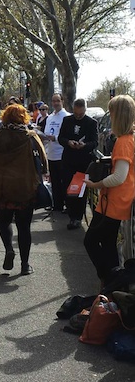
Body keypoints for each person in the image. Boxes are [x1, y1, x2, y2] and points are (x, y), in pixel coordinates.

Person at [0, 104, 47, 275]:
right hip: (24, 188)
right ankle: (25, 265)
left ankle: (9, 249)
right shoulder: (30, 137)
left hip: (0, 188)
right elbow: (44, 163)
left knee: (3, 222)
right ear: (24, 118)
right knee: (24, 227)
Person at [84, 95, 135, 287]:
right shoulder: (129, 138)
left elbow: (118, 177)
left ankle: (110, 280)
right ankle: (112, 282)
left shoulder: (123, 141)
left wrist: (95, 185)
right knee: (107, 243)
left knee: (92, 241)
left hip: (115, 201)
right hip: (119, 200)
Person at [58, 98, 98, 230]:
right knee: (68, 189)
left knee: (80, 191)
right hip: (68, 160)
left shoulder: (91, 123)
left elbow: (94, 142)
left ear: (85, 111)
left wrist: (84, 145)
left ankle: (78, 217)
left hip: (83, 162)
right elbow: (61, 138)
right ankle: (71, 215)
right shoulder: (67, 121)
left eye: (80, 114)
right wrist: (68, 142)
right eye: (76, 114)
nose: (78, 116)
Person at [44, 93, 70, 212]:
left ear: (62, 101)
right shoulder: (49, 117)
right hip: (51, 154)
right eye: (53, 101)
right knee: (54, 181)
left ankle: (66, 204)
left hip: (62, 154)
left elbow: (66, 136)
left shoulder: (67, 117)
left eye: (58, 101)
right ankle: (57, 204)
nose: (55, 103)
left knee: (63, 181)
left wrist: (55, 138)